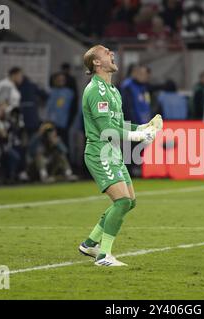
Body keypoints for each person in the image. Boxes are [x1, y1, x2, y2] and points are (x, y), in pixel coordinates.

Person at [78, 45, 163, 267]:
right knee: (122, 201)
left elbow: (118, 125)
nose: (112, 55)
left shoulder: (113, 90)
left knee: (129, 202)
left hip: (112, 152)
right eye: (107, 53)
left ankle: (90, 243)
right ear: (96, 63)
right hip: (99, 152)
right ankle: (104, 255)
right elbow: (107, 131)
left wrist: (144, 126)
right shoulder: (96, 90)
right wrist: (139, 135)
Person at [46, 72, 75, 147]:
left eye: (62, 80)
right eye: (58, 79)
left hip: (64, 124)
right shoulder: (51, 92)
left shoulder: (69, 93)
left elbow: (73, 110)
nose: (60, 81)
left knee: (64, 145)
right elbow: (49, 108)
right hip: (51, 124)